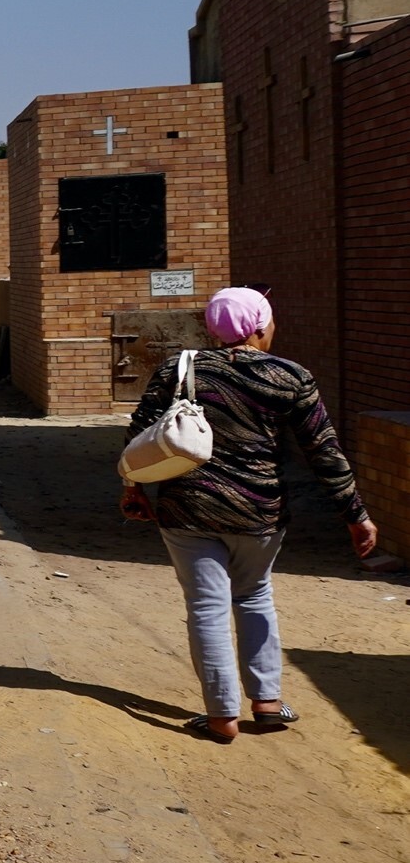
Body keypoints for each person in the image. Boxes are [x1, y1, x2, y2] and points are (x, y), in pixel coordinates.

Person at [120, 287, 378, 741]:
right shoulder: (291, 377)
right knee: (255, 595)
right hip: (260, 509)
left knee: (206, 606)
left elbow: (141, 434)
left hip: (189, 506)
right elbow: (324, 451)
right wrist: (355, 515)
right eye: (271, 321)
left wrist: (134, 487)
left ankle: (221, 716)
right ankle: (268, 701)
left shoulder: (182, 369)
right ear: (259, 327)